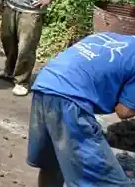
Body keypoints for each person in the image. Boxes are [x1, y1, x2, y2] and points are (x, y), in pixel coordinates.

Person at [27, 32, 135, 187]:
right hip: (69, 99)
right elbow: (124, 111)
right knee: (106, 182)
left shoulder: (110, 36)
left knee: (54, 164)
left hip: (45, 83)